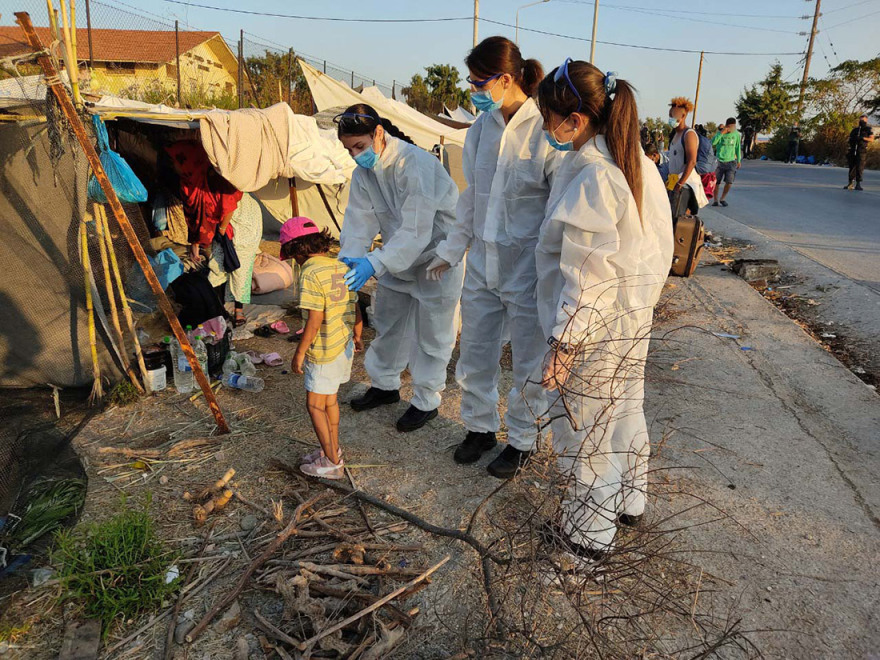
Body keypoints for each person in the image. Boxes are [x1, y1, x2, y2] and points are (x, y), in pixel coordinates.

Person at [536, 59, 673, 567]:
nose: (544, 125)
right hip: (628, 323)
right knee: (624, 414)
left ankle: (585, 544)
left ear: (574, 120)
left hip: (594, 332)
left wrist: (564, 344)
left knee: (584, 436)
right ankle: (628, 502)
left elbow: (587, 274)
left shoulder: (597, 177)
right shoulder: (632, 164)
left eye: (547, 114)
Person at [425, 36, 558, 478]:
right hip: (483, 264)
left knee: (527, 361)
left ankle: (522, 440)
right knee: (476, 353)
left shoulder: (545, 129)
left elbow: (558, 209)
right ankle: (480, 427)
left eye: (480, 83)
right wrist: (451, 249)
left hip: (527, 270)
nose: (474, 92)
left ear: (506, 79)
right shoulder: (481, 129)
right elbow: (472, 199)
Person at [335, 104, 464, 433]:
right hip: (397, 259)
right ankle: (385, 385)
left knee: (433, 335)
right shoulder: (363, 172)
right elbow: (358, 220)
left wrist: (374, 262)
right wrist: (351, 257)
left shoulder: (415, 164)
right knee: (389, 324)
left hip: (437, 259)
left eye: (359, 147)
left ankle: (425, 400)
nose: (355, 155)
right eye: (349, 149)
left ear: (378, 133)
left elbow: (417, 231)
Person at [283, 217, 363, 479]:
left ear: (297, 250)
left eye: (292, 256)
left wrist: (300, 352)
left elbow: (315, 319)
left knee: (315, 405)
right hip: (343, 345)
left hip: (324, 351)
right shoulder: (339, 265)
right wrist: (358, 334)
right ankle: (333, 450)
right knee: (329, 401)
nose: (294, 262)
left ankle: (332, 464)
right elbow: (356, 304)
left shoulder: (310, 273)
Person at [165, 141, 252, 326]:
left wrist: (221, 230)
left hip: (242, 217)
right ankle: (215, 307)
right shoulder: (189, 181)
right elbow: (196, 215)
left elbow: (228, 206)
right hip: (221, 221)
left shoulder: (216, 176)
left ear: (186, 161)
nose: (173, 167)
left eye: (175, 162)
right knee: (216, 263)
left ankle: (238, 311)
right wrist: (195, 245)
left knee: (240, 265)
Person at [666, 97, 708, 218]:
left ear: (683, 116)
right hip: (674, 182)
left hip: (685, 185)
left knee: (680, 222)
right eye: (670, 115)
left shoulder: (689, 134)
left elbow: (692, 161)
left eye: (673, 116)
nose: (671, 119)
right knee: (671, 219)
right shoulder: (675, 134)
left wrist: (680, 183)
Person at [711, 117, 742, 207]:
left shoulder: (736, 134)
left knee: (729, 181)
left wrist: (739, 160)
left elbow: (737, 147)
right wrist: (721, 133)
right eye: (729, 126)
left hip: (731, 161)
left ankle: (723, 198)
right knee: (716, 182)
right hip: (719, 161)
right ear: (726, 125)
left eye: (733, 126)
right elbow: (713, 143)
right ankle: (715, 200)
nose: (731, 128)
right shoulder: (721, 133)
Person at [845, 114, 874, 191]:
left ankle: (858, 184)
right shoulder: (855, 130)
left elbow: (871, 139)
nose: (861, 121)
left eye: (863, 120)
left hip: (862, 151)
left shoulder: (868, 129)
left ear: (866, 120)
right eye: (860, 120)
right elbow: (849, 139)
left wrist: (862, 138)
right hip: (853, 150)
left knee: (859, 167)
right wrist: (852, 140)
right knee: (852, 167)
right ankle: (850, 183)